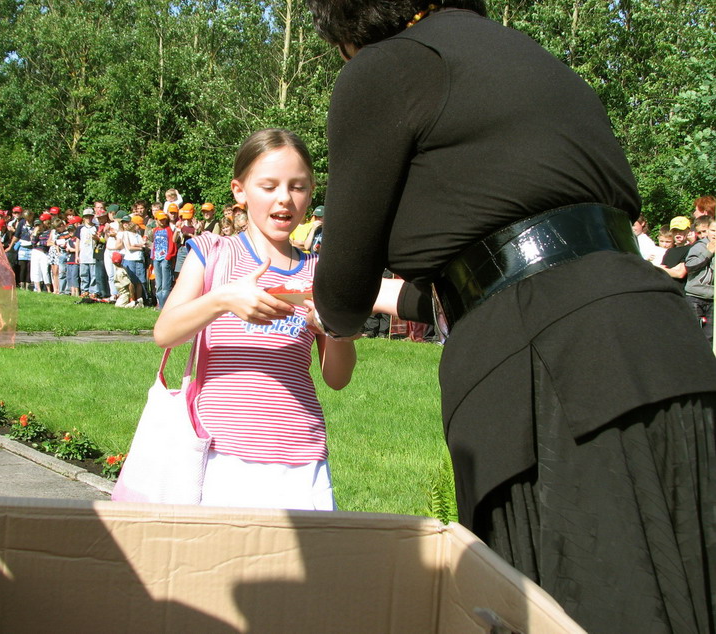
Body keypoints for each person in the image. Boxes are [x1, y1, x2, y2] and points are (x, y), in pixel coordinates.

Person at [306, 1, 716, 631]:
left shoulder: (387, 68)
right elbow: (515, 262)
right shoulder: (533, 63)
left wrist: (332, 312)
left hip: (556, 383)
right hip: (662, 346)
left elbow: (341, 293)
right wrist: (399, 298)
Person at [154, 128, 357, 510]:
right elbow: (165, 333)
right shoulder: (213, 251)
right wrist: (223, 300)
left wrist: (337, 330)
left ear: (311, 192)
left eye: (298, 187)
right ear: (240, 191)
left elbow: (337, 378)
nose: (285, 198)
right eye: (269, 186)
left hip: (302, 458)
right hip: (221, 454)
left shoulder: (320, 271)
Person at [684, 216, 715, 342]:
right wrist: (708, 252)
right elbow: (690, 266)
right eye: (713, 230)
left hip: (713, 299)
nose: (715, 234)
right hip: (695, 296)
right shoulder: (699, 246)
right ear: (708, 230)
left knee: (710, 336)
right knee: (693, 333)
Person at [150, 209, 177, 308]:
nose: (162, 221)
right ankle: (160, 304)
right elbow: (154, 244)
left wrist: (168, 256)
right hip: (156, 258)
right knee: (158, 283)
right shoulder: (155, 230)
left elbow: (172, 243)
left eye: (164, 219)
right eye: (160, 220)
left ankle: (165, 305)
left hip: (165, 258)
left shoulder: (168, 230)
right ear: (156, 220)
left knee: (166, 283)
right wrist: (153, 256)